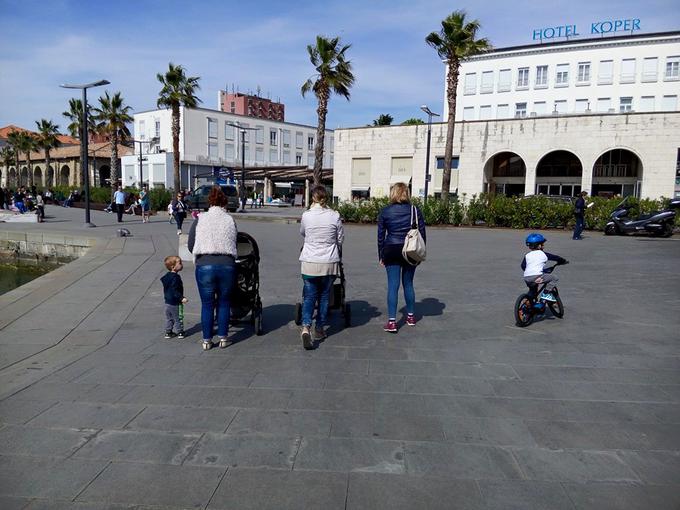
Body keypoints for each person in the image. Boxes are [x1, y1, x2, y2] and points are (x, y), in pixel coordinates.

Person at [188, 186, 238, 351]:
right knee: (224, 302)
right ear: (225, 202)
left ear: (209, 202)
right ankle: (223, 337)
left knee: (207, 304)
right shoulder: (230, 220)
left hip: (205, 265)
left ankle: (207, 340)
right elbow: (234, 242)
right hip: (227, 265)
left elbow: (191, 245)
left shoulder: (200, 219)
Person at [298, 185, 344, 349]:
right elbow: (340, 238)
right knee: (324, 296)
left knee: (309, 296)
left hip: (310, 261)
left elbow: (303, 233)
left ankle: (305, 327)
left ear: (313, 198)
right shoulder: (335, 216)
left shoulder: (307, 215)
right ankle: (319, 328)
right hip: (329, 262)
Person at [377, 182, 426, 333]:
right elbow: (422, 233)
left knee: (393, 285)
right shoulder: (415, 210)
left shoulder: (385, 211)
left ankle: (392, 322)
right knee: (408, 283)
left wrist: (381, 255)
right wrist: (420, 252)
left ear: (393, 193)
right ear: (407, 193)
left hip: (391, 249)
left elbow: (380, 236)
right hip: (410, 250)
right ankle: (411, 317)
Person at [521, 233, 568, 302]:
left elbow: (523, 266)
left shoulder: (527, 255)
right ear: (539, 245)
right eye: (542, 244)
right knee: (554, 278)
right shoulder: (543, 254)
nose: (543, 245)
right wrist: (563, 261)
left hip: (527, 277)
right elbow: (556, 258)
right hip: (537, 276)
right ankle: (546, 294)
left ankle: (527, 302)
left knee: (533, 290)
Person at [161, 255, 187, 339]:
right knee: (178, 318)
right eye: (179, 263)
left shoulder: (167, 276)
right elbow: (175, 290)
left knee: (169, 318)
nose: (181, 264)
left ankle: (168, 332)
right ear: (173, 267)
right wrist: (181, 298)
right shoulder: (176, 278)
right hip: (175, 302)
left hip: (167, 302)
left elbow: (165, 282)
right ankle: (180, 332)